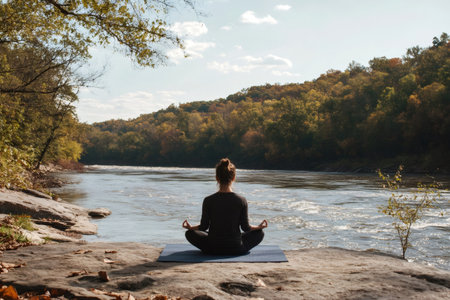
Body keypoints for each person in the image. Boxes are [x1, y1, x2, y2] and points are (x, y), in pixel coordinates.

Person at [182, 158, 268, 255]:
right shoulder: (241, 200)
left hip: (212, 247)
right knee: (259, 233)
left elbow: (203, 226)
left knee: (189, 233)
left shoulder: (208, 200)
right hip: (236, 247)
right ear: (233, 177)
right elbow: (246, 228)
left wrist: (191, 227)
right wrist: (259, 227)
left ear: (217, 178)